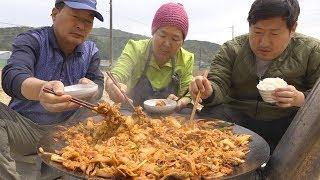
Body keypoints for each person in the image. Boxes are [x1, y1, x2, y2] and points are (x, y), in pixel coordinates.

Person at [189, 0, 320, 151]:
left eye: (274, 33)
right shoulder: (232, 49)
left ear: (293, 29)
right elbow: (218, 82)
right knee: (211, 115)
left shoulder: (312, 51)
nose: (264, 43)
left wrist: (300, 99)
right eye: (257, 31)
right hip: (238, 117)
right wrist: (208, 91)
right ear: (249, 26)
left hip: (285, 121)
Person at [0, 0, 104, 178]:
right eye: (75, 17)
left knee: (107, 112)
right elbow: (13, 75)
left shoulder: (91, 51)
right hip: (28, 129)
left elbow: (99, 83)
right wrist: (41, 90)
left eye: (88, 21)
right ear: (55, 14)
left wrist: (93, 88)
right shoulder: (32, 40)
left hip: (69, 130)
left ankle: (85, 164)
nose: (81, 26)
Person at [106, 3, 194, 110]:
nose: (166, 44)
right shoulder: (136, 48)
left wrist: (179, 101)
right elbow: (117, 74)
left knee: (187, 112)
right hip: (132, 111)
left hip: (168, 116)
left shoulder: (186, 59)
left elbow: (188, 93)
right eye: (162, 35)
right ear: (153, 33)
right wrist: (113, 85)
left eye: (175, 39)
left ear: (182, 42)